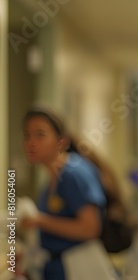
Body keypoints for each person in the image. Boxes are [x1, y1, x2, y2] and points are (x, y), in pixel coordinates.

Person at [21, 107, 106, 280]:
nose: (31, 143)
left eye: (40, 135)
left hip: (78, 268)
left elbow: (90, 228)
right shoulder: (53, 177)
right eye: (27, 135)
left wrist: (39, 220)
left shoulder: (73, 174)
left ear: (61, 141)